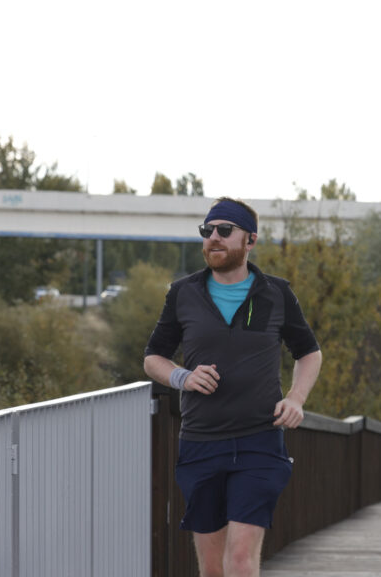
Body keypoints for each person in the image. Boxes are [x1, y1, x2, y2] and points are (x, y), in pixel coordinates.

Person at [144, 197, 323, 577]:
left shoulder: (276, 293)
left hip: (260, 441)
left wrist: (296, 398)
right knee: (212, 570)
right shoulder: (182, 293)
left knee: (240, 560)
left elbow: (309, 352)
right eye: (207, 231)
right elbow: (154, 357)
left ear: (250, 240)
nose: (214, 237)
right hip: (201, 443)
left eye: (225, 230)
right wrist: (182, 377)